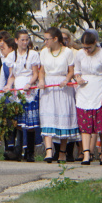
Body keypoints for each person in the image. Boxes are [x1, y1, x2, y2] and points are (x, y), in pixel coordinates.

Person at [72, 30, 102, 165]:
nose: (86, 50)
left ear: (95, 43)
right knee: (85, 124)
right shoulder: (80, 54)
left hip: (99, 89)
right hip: (84, 91)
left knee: (101, 124)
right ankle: (86, 154)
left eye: (89, 47)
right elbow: (77, 70)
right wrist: (78, 77)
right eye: (84, 47)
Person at [37, 27, 79, 163]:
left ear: (55, 39)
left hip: (62, 87)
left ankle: (62, 152)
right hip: (48, 86)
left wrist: (66, 80)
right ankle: (49, 151)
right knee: (48, 117)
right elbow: (42, 70)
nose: (45, 42)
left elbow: (71, 70)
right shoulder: (44, 52)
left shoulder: (67, 52)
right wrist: (41, 81)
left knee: (63, 117)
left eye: (47, 39)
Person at [4, 29, 41, 162]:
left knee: (30, 123)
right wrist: (8, 85)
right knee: (18, 122)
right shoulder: (11, 56)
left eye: (26, 40)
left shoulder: (33, 54)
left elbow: (35, 73)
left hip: (28, 88)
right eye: (22, 40)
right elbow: (12, 75)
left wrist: (30, 83)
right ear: (16, 41)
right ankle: (18, 150)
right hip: (17, 89)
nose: (25, 42)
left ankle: (30, 152)